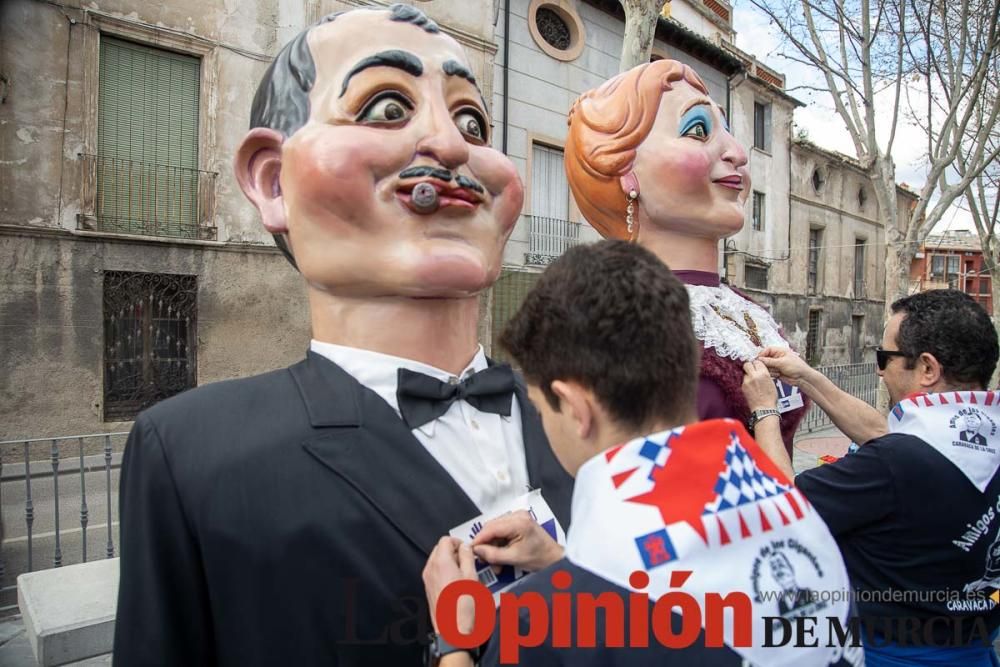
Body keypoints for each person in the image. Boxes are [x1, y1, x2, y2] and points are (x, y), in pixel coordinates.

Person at [112, 6, 573, 665]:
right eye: (388, 108)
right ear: (273, 181)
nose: (450, 145)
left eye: (472, 121)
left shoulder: (580, 418)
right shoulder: (192, 458)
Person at [422, 241, 859, 666]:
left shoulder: (551, 622)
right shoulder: (796, 514)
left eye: (539, 409)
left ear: (575, 409)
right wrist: (565, 564)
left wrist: (453, 638)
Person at [563, 59, 807, 455]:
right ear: (625, 171)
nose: (737, 153)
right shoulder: (617, 328)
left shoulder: (743, 310)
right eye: (698, 130)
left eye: (727, 131)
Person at [758, 289, 1000, 666]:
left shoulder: (890, 466)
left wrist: (763, 410)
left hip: (890, 653)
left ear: (927, 369)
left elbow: (785, 507)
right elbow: (882, 433)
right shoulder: (974, 438)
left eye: (885, 357)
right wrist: (806, 377)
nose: (879, 370)